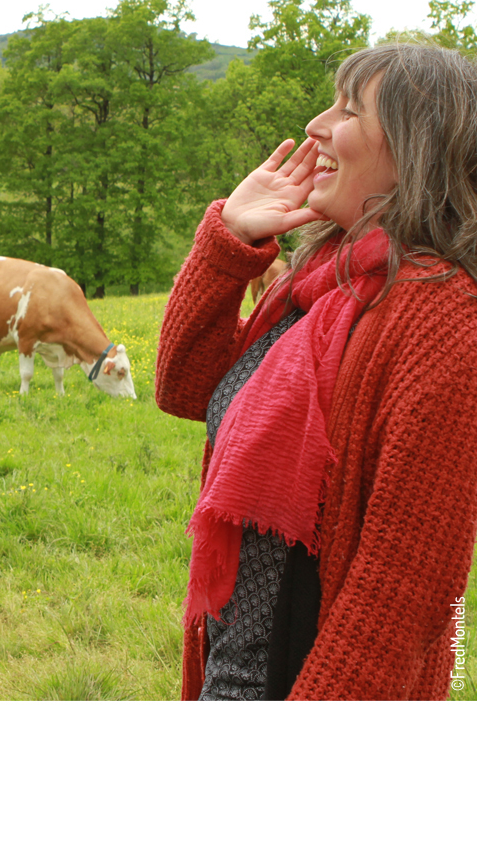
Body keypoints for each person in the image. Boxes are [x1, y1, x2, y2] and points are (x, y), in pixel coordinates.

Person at [156, 41, 477, 700]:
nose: (316, 126)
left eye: (349, 110)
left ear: (415, 148)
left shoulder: (446, 319)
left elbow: (400, 594)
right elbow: (187, 387)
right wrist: (232, 242)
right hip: (235, 671)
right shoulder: (318, 281)